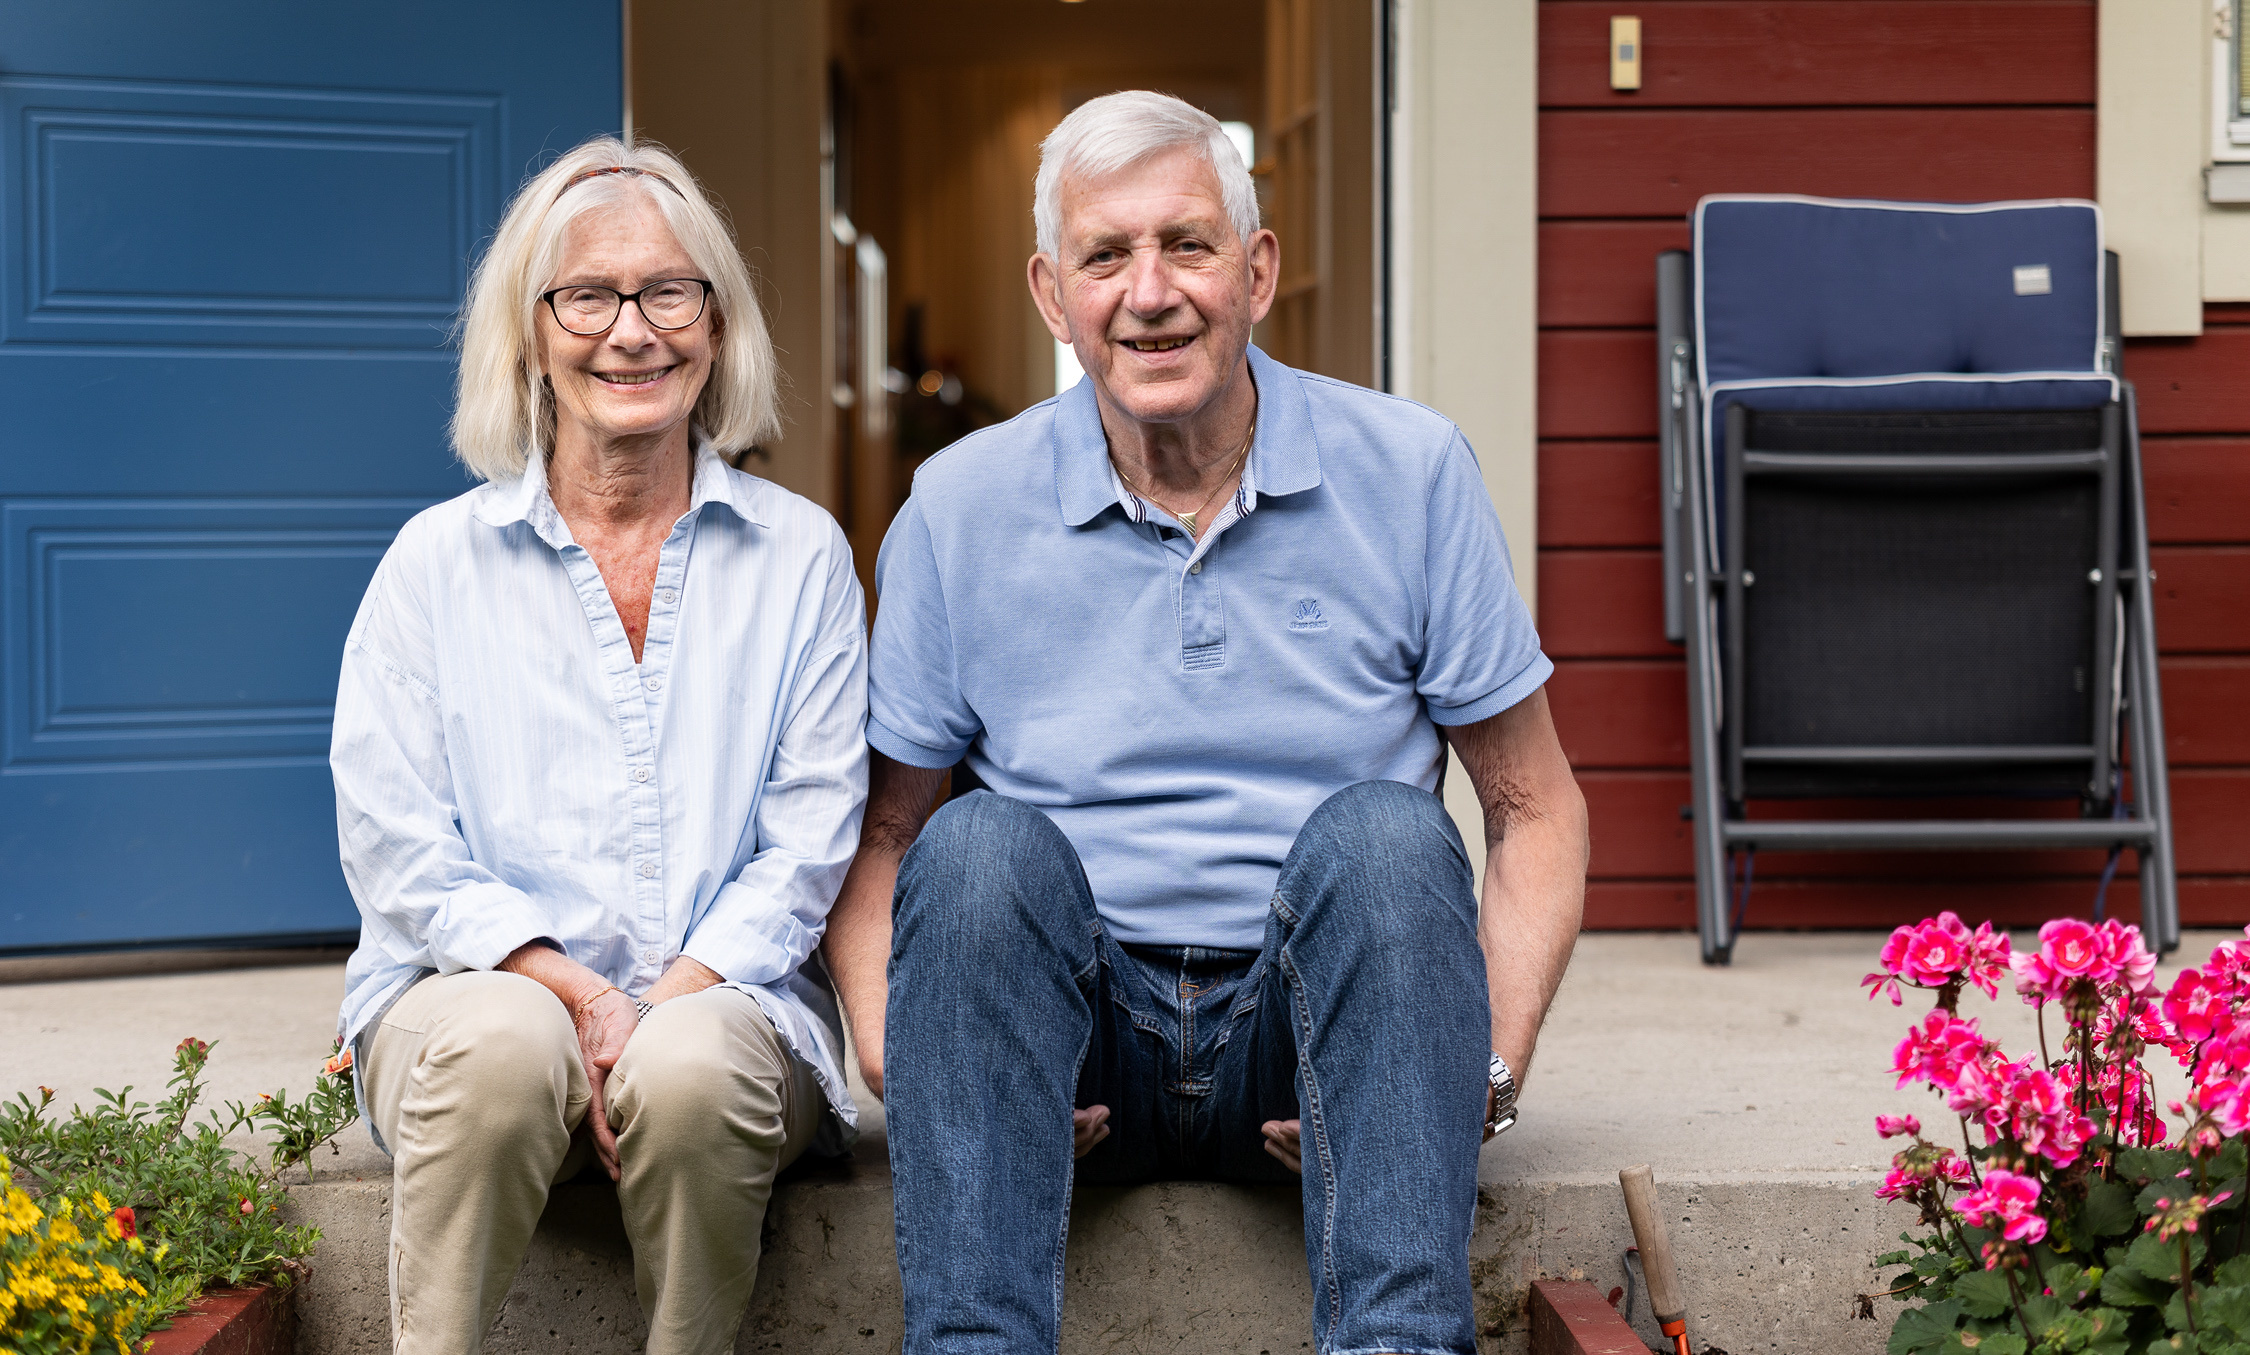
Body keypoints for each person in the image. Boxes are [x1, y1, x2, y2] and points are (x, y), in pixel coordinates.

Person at [823, 90, 1589, 1355]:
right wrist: (913, 1063)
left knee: (1392, 841)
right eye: (1105, 255)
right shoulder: (957, 506)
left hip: (1316, 1037)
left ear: (1258, 269)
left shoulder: (1412, 471)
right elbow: (888, 835)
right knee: (976, 850)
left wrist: (1479, 1072)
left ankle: (1399, 1341)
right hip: (1074, 1054)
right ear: (1051, 296)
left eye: (1187, 243)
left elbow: (1533, 805)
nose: (1151, 291)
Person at [330, 137, 867, 1355]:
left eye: (668, 291)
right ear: (531, 335)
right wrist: (571, 992)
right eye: (589, 294)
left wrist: (659, 1010)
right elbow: (396, 841)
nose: (633, 330)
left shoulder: (803, 557)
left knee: (687, 1066)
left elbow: (810, 837)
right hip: (474, 1003)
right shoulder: (433, 564)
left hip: (722, 1008)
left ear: (716, 328)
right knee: (502, 1045)